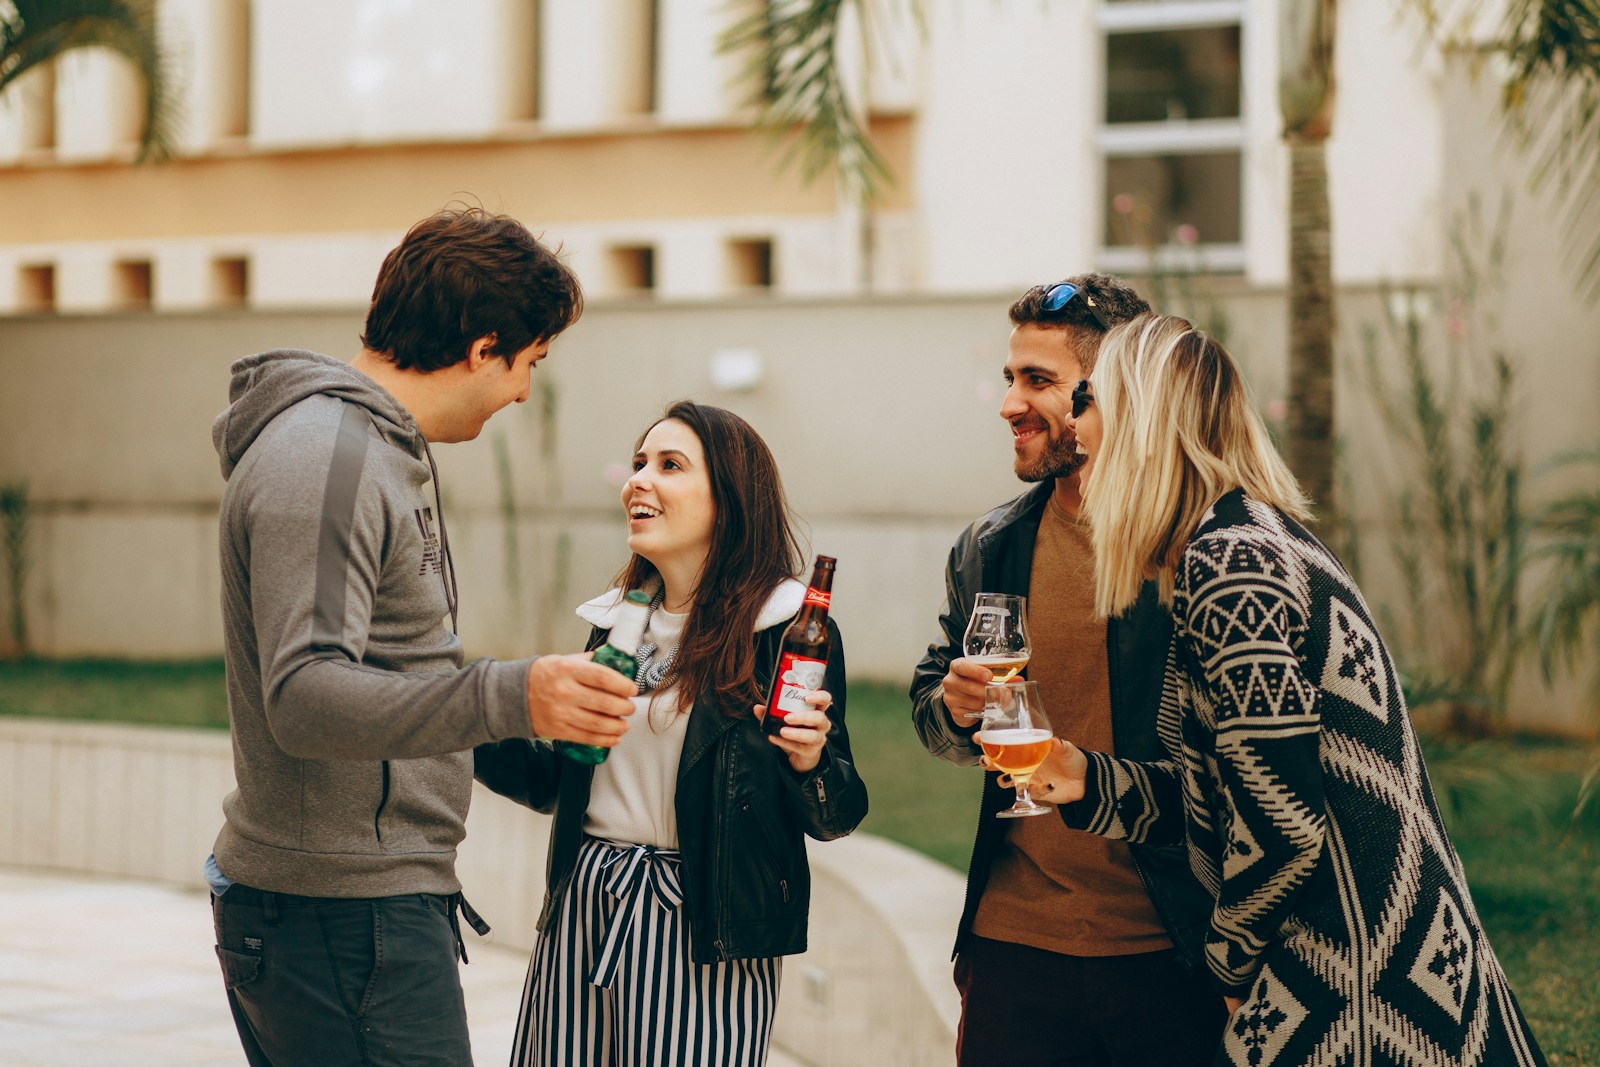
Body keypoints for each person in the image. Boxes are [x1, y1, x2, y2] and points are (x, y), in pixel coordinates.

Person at [1026, 313, 1547, 1066]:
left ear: (1140, 420)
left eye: (1088, 398)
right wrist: (1087, 780)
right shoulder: (1254, 538)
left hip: (1362, 989)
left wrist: (1230, 965)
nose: (1076, 424)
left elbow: (1281, 820)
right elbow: (1238, 788)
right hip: (1401, 968)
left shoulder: (1232, 563)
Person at [207, 206, 639, 1067]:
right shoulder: (329, 457)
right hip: (341, 919)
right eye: (530, 363)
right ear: (485, 348)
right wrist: (513, 692)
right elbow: (306, 697)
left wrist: (526, 739)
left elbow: (394, 670)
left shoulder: (364, 448)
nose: (522, 392)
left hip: (350, 912)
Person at [474, 400, 869, 1067]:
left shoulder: (785, 629)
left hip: (704, 920)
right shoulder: (616, 624)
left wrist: (809, 761)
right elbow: (558, 777)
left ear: (730, 498)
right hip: (585, 900)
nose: (638, 480)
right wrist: (456, 716)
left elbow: (839, 810)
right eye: (637, 463)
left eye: (669, 465)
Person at [910, 275, 1226, 1066]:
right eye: (1011, 377)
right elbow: (931, 705)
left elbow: (1235, 778)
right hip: (1013, 946)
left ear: (1112, 392)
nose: (1010, 402)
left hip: (1170, 947)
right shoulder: (993, 545)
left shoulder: (1200, 554)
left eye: (1039, 381)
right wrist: (950, 707)